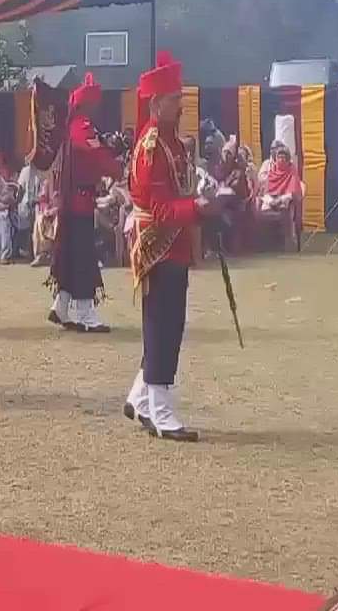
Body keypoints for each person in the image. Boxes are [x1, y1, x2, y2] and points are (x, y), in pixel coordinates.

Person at [123, 50, 219, 442]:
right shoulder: (150, 148)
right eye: (174, 98)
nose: (181, 104)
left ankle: (141, 399)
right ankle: (162, 412)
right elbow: (161, 208)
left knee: (168, 324)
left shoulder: (173, 144)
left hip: (174, 243)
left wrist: (202, 192)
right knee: (163, 327)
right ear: (156, 103)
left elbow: (179, 187)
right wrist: (196, 206)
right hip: (157, 245)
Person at [47, 73, 120, 333]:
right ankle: (86, 314)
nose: (98, 106)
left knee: (70, 254)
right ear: (86, 104)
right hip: (79, 201)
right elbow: (97, 154)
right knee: (83, 257)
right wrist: (116, 167)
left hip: (73, 200)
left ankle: (61, 306)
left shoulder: (75, 125)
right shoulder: (82, 125)